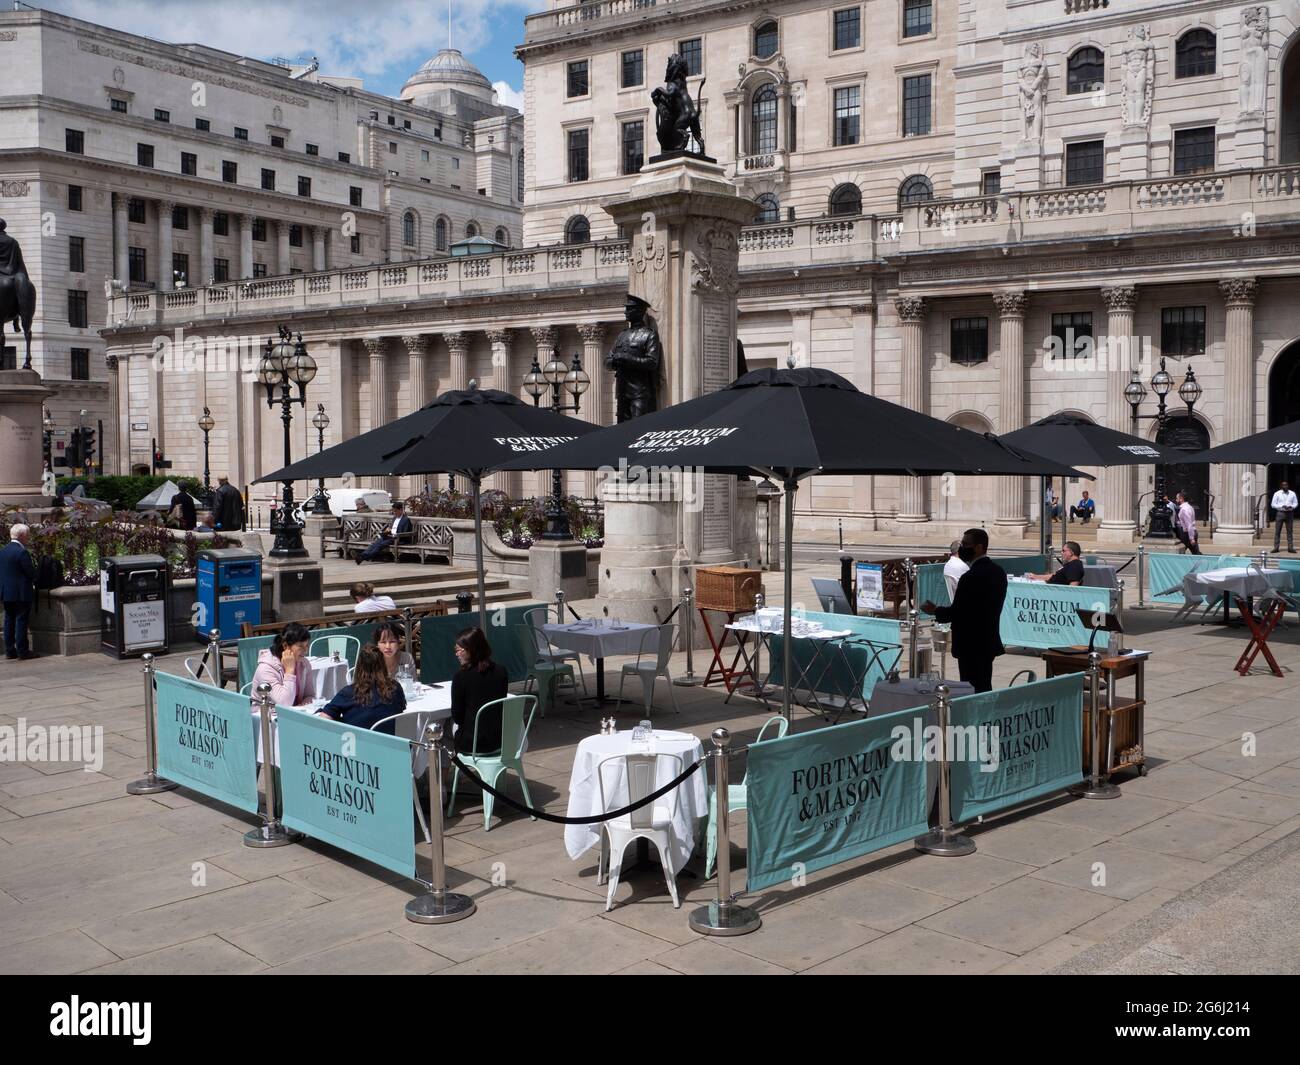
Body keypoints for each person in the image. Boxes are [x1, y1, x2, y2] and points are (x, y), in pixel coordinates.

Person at [921, 528, 1007, 694]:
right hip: (988, 639)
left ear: (980, 547)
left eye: (967, 544)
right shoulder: (998, 572)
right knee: (984, 684)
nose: (963, 548)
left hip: (971, 642)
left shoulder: (971, 577)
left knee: (971, 688)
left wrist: (935, 610)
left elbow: (960, 612)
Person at [317, 645, 406, 732]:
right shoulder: (395, 688)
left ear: (359, 667)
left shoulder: (349, 693)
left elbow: (323, 720)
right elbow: (400, 712)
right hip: (392, 744)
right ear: (383, 664)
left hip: (358, 744)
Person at [450, 627, 509, 755]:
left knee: (445, 733)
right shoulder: (501, 671)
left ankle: (442, 772)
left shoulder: (461, 677)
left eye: (459, 650)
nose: (456, 654)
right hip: (501, 741)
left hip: (473, 744)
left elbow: (457, 717)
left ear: (471, 650)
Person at [251, 622, 316, 706]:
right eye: (300, 646)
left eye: (307, 645)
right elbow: (284, 703)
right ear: (285, 646)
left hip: (294, 714)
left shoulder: (303, 663)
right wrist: (289, 671)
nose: (306, 651)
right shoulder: (265, 669)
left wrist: (303, 706)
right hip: (266, 715)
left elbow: (309, 695)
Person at [1, 523, 37, 660]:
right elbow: (30, 573)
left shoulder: (3, 551)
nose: (28, 538)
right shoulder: (21, 552)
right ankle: (23, 651)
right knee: (21, 621)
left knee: (8, 620)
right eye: (27, 535)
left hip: (7, 593)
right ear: (22, 536)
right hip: (21, 593)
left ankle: (10, 651)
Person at [1272, 480, 1297, 553]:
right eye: (1283, 485)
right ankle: (1276, 548)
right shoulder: (1277, 494)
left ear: (1288, 486)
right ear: (1281, 486)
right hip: (1280, 513)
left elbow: (1296, 503)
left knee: (1289, 531)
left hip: (1289, 513)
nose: (1285, 486)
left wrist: (1291, 506)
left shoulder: (1292, 493)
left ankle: (1290, 548)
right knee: (1277, 531)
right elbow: (1273, 504)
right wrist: (1281, 506)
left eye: (1286, 485)